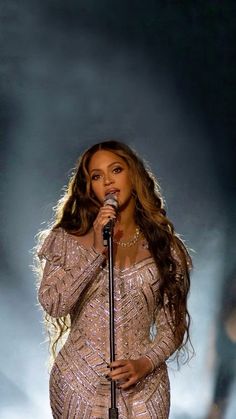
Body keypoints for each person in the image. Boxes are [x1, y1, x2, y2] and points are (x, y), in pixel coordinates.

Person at [36, 140, 192, 419]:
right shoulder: (66, 239)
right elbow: (53, 304)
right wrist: (95, 249)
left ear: (134, 175)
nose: (107, 180)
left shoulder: (164, 247)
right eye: (96, 176)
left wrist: (146, 363)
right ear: (89, 187)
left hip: (144, 384)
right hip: (78, 383)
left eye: (116, 170)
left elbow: (173, 325)